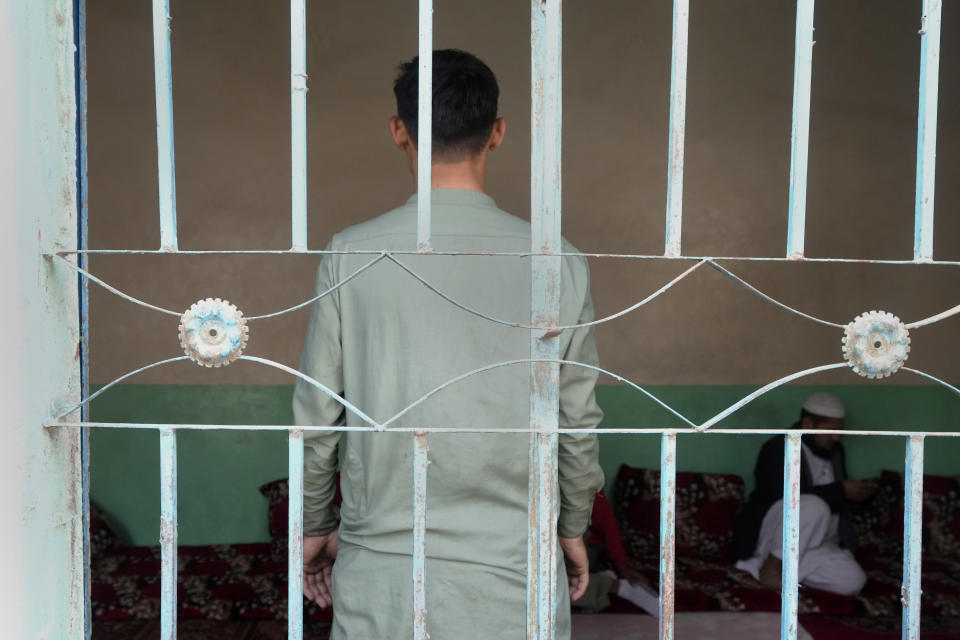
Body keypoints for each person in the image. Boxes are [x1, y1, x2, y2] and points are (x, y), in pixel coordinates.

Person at [293, 49, 605, 639]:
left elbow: (317, 415)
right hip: (516, 572)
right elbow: (577, 419)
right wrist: (571, 526)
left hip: (383, 577)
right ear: (498, 133)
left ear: (398, 131)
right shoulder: (556, 260)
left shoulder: (352, 252)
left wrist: (315, 524)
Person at [733, 392, 875, 596]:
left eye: (839, 431)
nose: (836, 437)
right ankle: (771, 567)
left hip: (816, 545)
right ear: (808, 424)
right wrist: (841, 490)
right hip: (776, 536)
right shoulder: (778, 449)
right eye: (831, 430)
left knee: (853, 581)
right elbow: (781, 496)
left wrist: (858, 493)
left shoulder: (836, 451)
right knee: (814, 506)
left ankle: (767, 569)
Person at [572, 490, 659, 616]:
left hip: (576, 548)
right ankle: (601, 582)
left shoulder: (581, 479)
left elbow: (607, 524)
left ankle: (613, 586)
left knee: (546, 588)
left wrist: (622, 565)